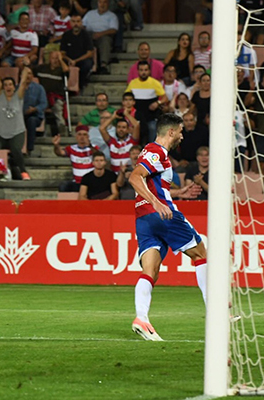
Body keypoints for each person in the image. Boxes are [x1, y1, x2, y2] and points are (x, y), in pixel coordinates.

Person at [128, 113, 209, 341]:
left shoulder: (149, 151)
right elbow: (135, 178)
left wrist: (178, 193)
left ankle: (141, 318)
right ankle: (217, 313)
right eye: (181, 131)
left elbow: (153, 186)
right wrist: (157, 202)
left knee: (150, 271)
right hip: (160, 214)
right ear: (171, 131)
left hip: (143, 218)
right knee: (201, 254)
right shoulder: (158, 152)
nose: (182, 136)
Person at [0, 57, 31, 180]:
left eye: (10, 85)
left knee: (16, 150)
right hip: (0, 132)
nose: (8, 87)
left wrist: (26, 67)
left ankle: (23, 172)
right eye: (6, 85)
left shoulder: (18, 96)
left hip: (17, 131)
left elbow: (23, 81)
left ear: (14, 86)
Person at [126, 61, 167, 145]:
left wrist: (157, 103)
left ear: (149, 71)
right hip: (137, 117)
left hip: (151, 116)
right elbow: (126, 97)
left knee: (152, 129)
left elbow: (165, 98)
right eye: (141, 70)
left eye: (145, 70)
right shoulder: (133, 83)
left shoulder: (155, 83)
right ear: (138, 71)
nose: (143, 72)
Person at [53, 125, 96, 192]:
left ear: (88, 136)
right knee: (63, 186)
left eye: (84, 135)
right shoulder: (71, 148)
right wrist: (56, 145)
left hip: (91, 182)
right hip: (77, 182)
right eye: (79, 134)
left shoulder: (93, 148)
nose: (82, 137)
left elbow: (98, 155)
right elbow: (60, 153)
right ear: (76, 136)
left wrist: (90, 146)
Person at [82, 0, 118, 75]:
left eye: (104, 2)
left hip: (103, 35)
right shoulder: (90, 13)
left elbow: (113, 30)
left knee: (105, 41)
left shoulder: (112, 16)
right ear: (97, 3)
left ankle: (103, 65)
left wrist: (100, 34)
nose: (102, 4)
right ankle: (88, 65)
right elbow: (82, 25)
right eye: (100, 2)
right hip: (89, 35)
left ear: (108, 4)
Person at [60, 14, 94, 90]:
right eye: (73, 21)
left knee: (87, 64)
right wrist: (70, 60)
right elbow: (62, 53)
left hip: (82, 59)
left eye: (78, 21)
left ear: (81, 23)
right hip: (69, 60)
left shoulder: (86, 35)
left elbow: (89, 53)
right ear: (70, 23)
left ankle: (81, 85)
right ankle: (65, 87)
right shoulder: (66, 35)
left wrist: (76, 61)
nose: (76, 24)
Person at [22, 68, 47, 155]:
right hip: (19, 115)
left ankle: (29, 148)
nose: (28, 76)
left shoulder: (39, 88)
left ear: (32, 76)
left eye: (30, 74)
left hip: (35, 115)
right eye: (26, 74)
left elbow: (44, 104)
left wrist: (34, 109)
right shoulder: (17, 88)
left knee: (31, 121)